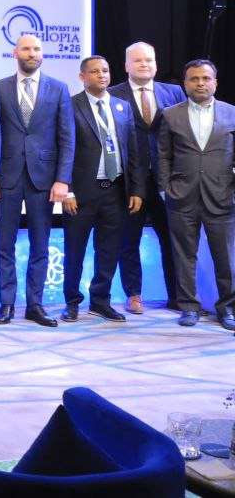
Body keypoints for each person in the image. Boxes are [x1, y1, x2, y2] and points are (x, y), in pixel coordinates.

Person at [0, 34, 74, 327]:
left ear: (42, 54)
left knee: (40, 244)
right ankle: (6, 303)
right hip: (8, 176)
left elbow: (67, 138)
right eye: (26, 48)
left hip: (45, 179)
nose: (32, 53)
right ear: (15, 53)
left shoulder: (59, 88)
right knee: (5, 244)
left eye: (37, 49)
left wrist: (63, 179)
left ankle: (35, 305)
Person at [61, 55, 145, 323]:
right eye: (95, 71)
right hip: (81, 193)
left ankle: (100, 301)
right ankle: (72, 301)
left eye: (105, 71)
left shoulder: (122, 106)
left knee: (109, 250)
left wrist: (136, 189)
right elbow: (63, 149)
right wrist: (67, 190)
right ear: (82, 77)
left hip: (116, 191)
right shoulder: (70, 105)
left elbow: (133, 151)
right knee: (75, 250)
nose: (102, 75)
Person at [157, 59, 235, 330]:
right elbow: (163, 155)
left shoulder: (232, 113)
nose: (200, 83)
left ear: (215, 82)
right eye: (194, 79)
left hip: (222, 197)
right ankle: (189, 307)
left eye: (206, 78)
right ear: (185, 83)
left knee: (226, 258)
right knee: (183, 255)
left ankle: (227, 308)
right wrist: (165, 189)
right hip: (181, 196)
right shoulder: (170, 115)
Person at [109, 42, 185, 313]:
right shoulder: (112, 94)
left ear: (155, 64)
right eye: (138, 60)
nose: (144, 64)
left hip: (168, 181)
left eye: (149, 60)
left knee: (172, 241)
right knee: (128, 241)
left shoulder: (174, 92)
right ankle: (134, 295)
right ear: (126, 65)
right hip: (129, 184)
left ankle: (178, 296)